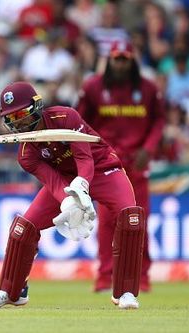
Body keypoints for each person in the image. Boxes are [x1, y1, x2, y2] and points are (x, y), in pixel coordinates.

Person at [0, 81, 146, 310]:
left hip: (103, 169)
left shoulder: (66, 118)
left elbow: (84, 158)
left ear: (36, 107)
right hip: (65, 181)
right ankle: (11, 292)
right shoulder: (26, 155)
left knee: (130, 217)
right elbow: (54, 182)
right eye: (11, 118)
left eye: (22, 114)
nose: (19, 122)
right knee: (24, 227)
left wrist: (82, 186)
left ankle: (125, 293)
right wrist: (69, 200)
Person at [76, 40, 165, 293]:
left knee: (139, 221)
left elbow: (158, 121)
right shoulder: (93, 87)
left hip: (136, 163)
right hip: (107, 164)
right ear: (109, 59)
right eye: (117, 59)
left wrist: (148, 148)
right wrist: (94, 153)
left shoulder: (147, 89)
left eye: (125, 59)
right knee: (107, 222)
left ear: (132, 60)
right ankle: (105, 276)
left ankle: (142, 276)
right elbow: (79, 122)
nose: (121, 64)